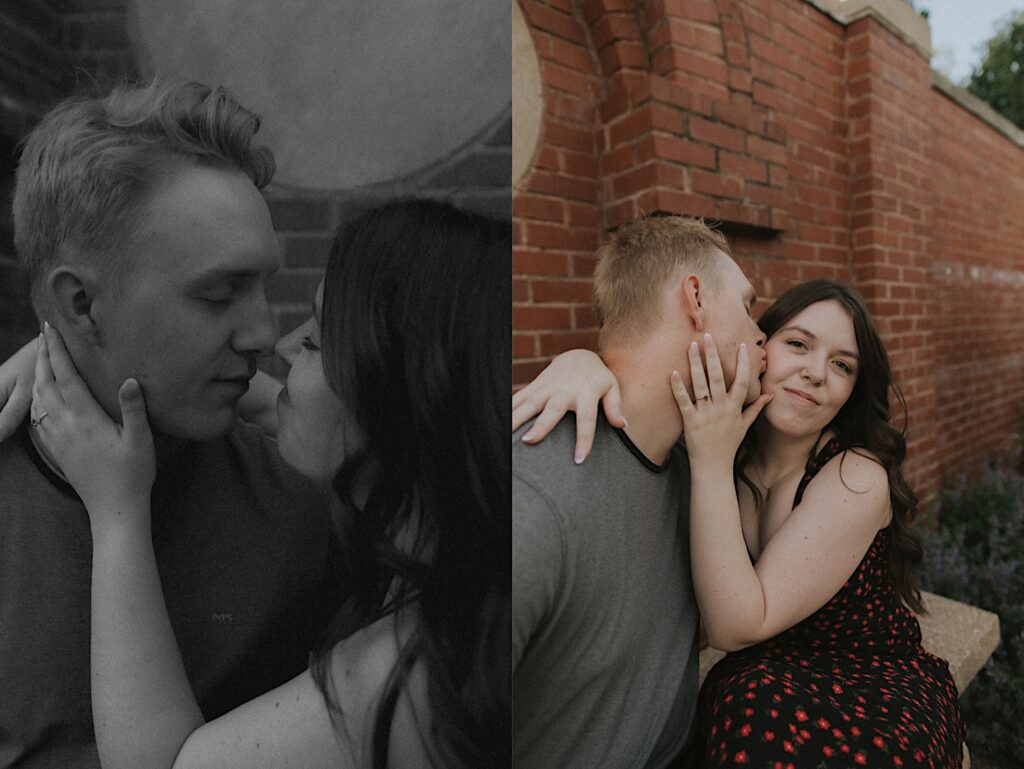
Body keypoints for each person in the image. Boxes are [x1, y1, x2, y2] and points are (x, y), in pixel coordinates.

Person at [27, 197, 511, 768]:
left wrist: (116, 510)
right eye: (217, 294)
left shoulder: (406, 672)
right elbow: (278, 408)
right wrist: (61, 357)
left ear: (397, 401)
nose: (277, 343)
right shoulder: (476, 577)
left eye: (316, 341)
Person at [0, 80, 340, 768]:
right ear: (82, 303)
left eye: (264, 287)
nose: (263, 333)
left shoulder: (305, 492)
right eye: (218, 294)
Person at [516, 279, 966, 767]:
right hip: (769, 674)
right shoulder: (724, 443)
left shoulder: (854, 475)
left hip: (869, 680)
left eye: (842, 365)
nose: (816, 373)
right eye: (798, 344)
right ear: (760, 347)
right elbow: (643, 396)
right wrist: (582, 363)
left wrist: (710, 461)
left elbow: (736, 626)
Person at [512, 213, 769, 769]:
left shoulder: (699, 460)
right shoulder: (532, 498)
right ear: (695, 298)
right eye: (747, 306)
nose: (759, 332)